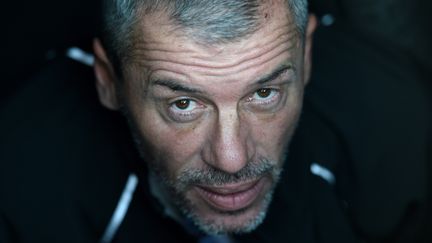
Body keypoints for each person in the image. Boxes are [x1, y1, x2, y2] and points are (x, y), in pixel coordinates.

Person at [0, 0, 376, 242]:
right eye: (183, 104)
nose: (233, 160)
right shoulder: (21, 192)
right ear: (108, 81)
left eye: (264, 94)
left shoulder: (394, 128)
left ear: (305, 55)